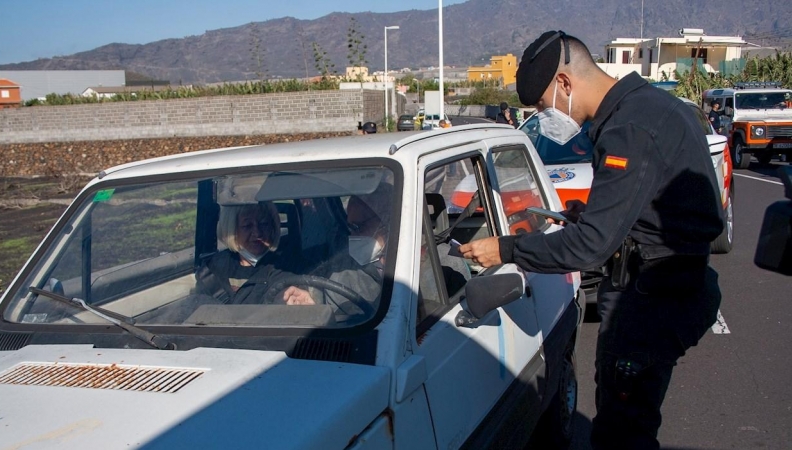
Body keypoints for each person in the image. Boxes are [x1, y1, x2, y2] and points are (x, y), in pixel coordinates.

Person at [458, 30, 723, 450]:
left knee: (622, 435)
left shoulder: (630, 127)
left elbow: (589, 248)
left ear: (564, 84)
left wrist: (505, 249)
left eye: (544, 105)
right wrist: (596, 217)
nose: (546, 115)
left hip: (653, 297)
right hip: (664, 286)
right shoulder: (646, 108)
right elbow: (652, 207)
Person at [283, 182, 393, 316]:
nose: (352, 236)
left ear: (386, 222)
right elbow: (331, 288)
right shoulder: (347, 265)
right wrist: (314, 299)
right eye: (350, 227)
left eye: (358, 227)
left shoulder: (415, 258)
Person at [196, 201, 296, 304]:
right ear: (231, 229)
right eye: (247, 226)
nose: (257, 233)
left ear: (273, 227)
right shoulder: (212, 269)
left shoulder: (286, 267)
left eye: (264, 224)